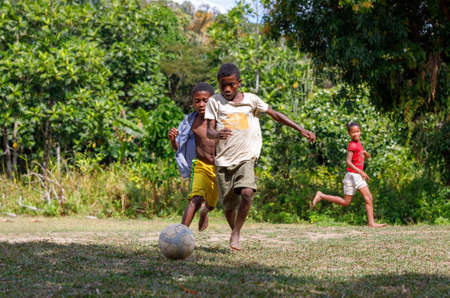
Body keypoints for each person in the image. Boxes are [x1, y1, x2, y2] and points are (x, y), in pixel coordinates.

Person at [205, 63, 316, 250]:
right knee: (229, 206)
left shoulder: (251, 100)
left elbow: (275, 115)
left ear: (239, 83)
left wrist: (300, 129)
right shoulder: (214, 101)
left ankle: (236, 233)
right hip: (224, 160)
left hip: (246, 157)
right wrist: (217, 134)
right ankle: (234, 230)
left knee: (247, 193)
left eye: (231, 84)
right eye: (223, 85)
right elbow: (209, 130)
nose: (227, 89)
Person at [311, 121, 386, 228]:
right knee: (368, 198)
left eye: (357, 131)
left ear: (360, 132)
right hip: (355, 175)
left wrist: (365, 153)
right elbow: (348, 162)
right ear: (349, 134)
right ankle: (371, 223)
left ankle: (321, 195)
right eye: (352, 132)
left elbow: (365, 156)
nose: (355, 134)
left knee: (346, 202)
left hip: (351, 176)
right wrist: (361, 172)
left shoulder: (359, 144)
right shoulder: (352, 145)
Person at [168, 82, 218, 231]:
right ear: (192, 103)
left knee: (212, 203)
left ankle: (205, 211)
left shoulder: (221, 119)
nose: (201, 104)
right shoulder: (190, 122)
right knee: (195, 198)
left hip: (219, 167)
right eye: (197, 101)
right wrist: (172, 140)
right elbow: (179, 148)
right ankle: (181, 233)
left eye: (205, 100)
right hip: (200, 165)